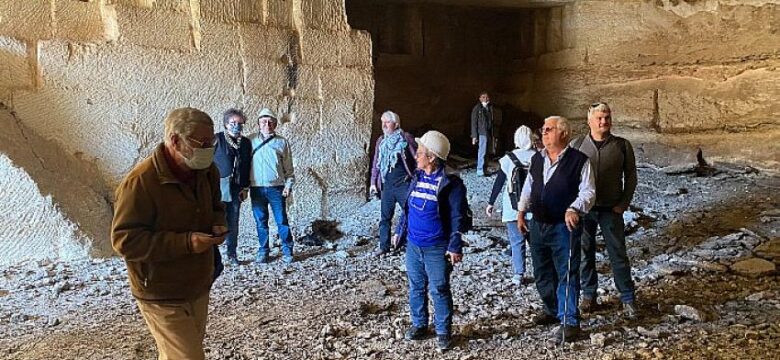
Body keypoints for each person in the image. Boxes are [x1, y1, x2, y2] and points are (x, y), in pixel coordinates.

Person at [111, 107, 227, 359]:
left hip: (197, 281)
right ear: (175, 140)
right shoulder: (140, 183)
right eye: (202, 142)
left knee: (178, 354)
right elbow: (124, 240)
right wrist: (186, 243)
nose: (209, 149)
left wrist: (218, 223)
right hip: (160, 290)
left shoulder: (207, 172)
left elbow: (216, 207)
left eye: (212, 142)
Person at [517, 116, 595, 344]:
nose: (544, 133)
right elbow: (529, 186)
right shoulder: (538, 159)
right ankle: (552, 309)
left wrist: (574, 209)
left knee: (567, 272)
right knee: (542, 272)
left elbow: (588, 192)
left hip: (564, 227)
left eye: (548, 129)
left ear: (563, 133)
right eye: (543, 130)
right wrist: (521, 212)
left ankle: (569, 321)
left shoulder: (579, 161)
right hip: (538, 224)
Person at [392, 131, 469, 352]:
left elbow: (457, 216)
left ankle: (444, 332)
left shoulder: (450, 184)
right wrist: (400, 230)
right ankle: (420, 325)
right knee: (416, 287)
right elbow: (408, 207)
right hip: (414, 245)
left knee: (439, 288)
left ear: (432, 158)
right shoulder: (417, 177)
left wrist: (455, 245)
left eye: (420, 153)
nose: (416, 156)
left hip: (437, 247)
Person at [570, 102, 639, 319]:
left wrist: (623, 203)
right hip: (585, 210)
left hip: (611, 209)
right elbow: (568, 176)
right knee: (584, 253)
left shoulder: (622, 146)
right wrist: (572, 206)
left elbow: (631, 176)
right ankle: (588, 295)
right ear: (589, 120)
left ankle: (627, 298)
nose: (604, 121)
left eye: (607, 117)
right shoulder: (577, 145)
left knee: (618, 254)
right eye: (599, 117)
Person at [486, 125, 536, 284]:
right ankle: (541, 272)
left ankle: (518, 275)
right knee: (537, 243)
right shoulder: (539, 157)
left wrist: (491, 202)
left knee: (516, 241)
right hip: (535, 208)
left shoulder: (508, 159)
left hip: (513, 208)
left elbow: (499, 182)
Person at [248, 108, 295, 264]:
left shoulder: (282, 142)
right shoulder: (250, 141)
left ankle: (287, 250)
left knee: (281, 220)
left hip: (276, 188)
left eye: (270, 122)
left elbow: (289, 168)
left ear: (275, 124)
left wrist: (288, 185)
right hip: (256, 188)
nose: (266, 124)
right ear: (258, 124)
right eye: (263, 122)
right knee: (261, 221)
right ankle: (263, 250)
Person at [369, 110, 417, 257]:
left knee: (412, 214)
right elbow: (376, 163)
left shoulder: (405, 138)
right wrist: (373, 182)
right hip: (387, 186)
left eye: (387, 122)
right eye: (382, 122)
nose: (384, 125)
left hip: (403, 184)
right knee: (385, 219)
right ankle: (384, 247)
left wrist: (417, 178)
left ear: (396, 124)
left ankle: (411, 243)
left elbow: (416, 158)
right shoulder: (381, 141)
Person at [214, 108, 252, 266]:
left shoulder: (245, 143)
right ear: (226, 124)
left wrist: (245, 187)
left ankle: (231, 254)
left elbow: (247, 166)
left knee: (233, 221)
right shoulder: (217, 139)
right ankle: (212, 255)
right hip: (217, 188)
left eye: (240, 123)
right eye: (233, 123)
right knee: (214, 221)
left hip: (236, 188)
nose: (237, 126)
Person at [470, 91, 502, 176]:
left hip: (488, 133)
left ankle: (484, 168)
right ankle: (480, 169)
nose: (486, 99)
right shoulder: (477, 108)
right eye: (483, 97)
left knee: (487, 152)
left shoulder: (490, 108)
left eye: (487, 97)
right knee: (482, 151)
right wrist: (474, 136)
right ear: (480, 98)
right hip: (482, 133)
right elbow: (474, 122)